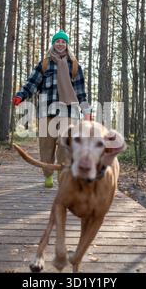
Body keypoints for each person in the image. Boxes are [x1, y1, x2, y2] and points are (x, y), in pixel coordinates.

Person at [13, 30, 92, 188]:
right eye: (57, 41)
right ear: (53, 44)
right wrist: (21, 95)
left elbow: (81, 92)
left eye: (63, 41)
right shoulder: (45, 63)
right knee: (46, 147)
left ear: (67, 44)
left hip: (69, 112)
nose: (60, 44)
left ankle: (62, 174)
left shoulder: (75, 65)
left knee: (66, 145)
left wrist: (87, 112)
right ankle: (48, 176)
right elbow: (32, 83)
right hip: (46, 111)